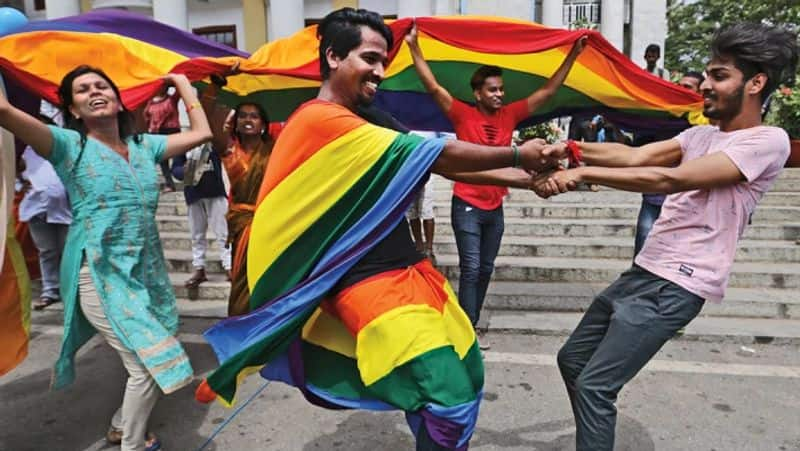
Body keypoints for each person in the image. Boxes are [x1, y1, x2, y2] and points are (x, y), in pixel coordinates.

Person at [197, 8, 567, 450]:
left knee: (465, 371)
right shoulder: (320, 121)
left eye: (384, 61)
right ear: (333, 57)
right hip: (368, 284)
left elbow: (447, 165)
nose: (380, 71)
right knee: (446, 394)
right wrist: (516, 157)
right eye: (370, 58)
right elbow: (440, 154)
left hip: (411, 272)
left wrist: (533, 178)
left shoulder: (372, 122)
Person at [532, 23, 797, 451]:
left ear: (756, 83)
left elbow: (668, 179)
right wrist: (571, 150)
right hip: (646, 271)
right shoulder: (699, 135)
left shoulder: (768, 141)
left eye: (718, 75)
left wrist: (580, 174)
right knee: (573, 360)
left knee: (597, 386)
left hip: (679, 283)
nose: (704, 85)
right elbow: (635, 155)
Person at [0, 65, 213, 451]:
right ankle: (132, 444)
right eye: (82, 90)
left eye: (102, 86)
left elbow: (203, 133)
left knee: (153, 358)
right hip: (97, 273)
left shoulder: (144, 147)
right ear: (74, 109)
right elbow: (3, 111)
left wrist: (182, 84)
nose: (95, 92)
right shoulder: (69, 145)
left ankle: (119, 425)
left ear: (118, 100)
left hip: (145, 276)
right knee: (149, 366)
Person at [405, 23, 587, 348]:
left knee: (486, 268)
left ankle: (467, 323)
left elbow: (547, 92)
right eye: (493, 90)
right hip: (466, 205)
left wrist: (572, 55)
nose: (500, 95)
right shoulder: (461, 114)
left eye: (501, 89)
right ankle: (467, 330)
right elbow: (432, 85)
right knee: (471, 267)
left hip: (495, 205)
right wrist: (415, 48)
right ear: (478, 94)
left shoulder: (511, 115)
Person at [199, 72, 275, 316]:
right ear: (236, 121)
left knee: (268, 279)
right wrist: (215, 86)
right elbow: (206, 121)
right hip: (243, 225)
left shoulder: (276, 149)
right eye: (243, 115)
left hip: (271, 223)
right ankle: (241, 330)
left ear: (263, 123)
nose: (248, 120)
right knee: (242, 281)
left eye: (254, 116)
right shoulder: (229, 149)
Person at [633, 71, 706, 255]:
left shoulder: (706, 124)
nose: (681, 91)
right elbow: (639, 146)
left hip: (683, 200)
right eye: (679, 86)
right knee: (643, 243)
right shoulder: (660, 115)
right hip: (654, 193)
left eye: (687, 88)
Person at [18, 114, 72, 310]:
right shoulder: (23, 153)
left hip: (66, 209)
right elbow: (14, 173)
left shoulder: (64, 150)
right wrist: (19, 186)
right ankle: (50, 290)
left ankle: (71, 289)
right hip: (37, 209)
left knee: (69, 250)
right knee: (47, 251)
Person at [171, 143, 231, 289]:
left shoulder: (213, 140)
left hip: (215, 191)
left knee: (223, 233)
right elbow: (175, 168)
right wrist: (183, 171)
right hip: (193, 193)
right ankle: (199, 268)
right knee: (196, 234)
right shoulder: (185, 143)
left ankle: (229, 267)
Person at [143, 85, 180, 193]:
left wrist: (173, 81)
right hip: (157, 133)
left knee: (178, 157)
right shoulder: (150, 102)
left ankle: (179, 173)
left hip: (172, 130)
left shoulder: (171, 99)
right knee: (163, 160)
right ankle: (170, 184)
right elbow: (146, 115)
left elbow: (180, 91)